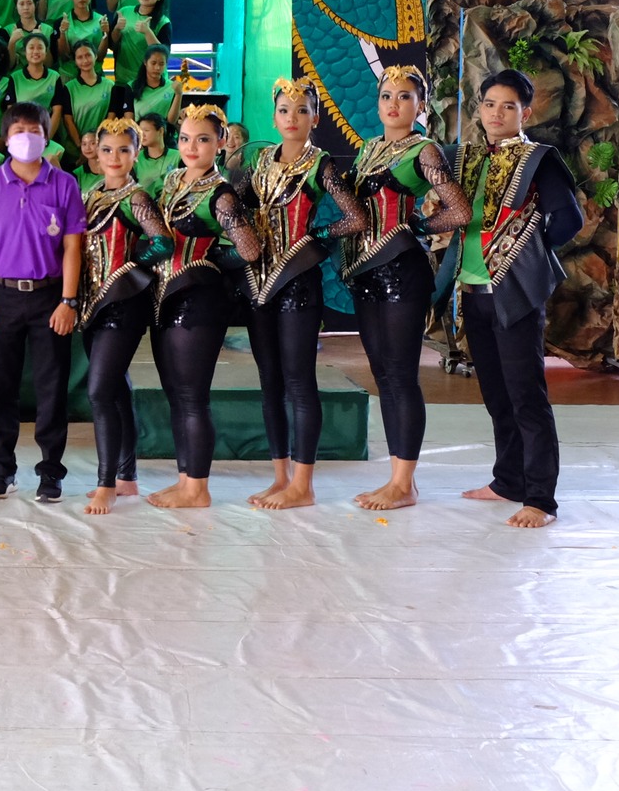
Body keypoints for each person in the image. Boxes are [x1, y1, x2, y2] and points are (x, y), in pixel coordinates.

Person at [444, 68, 583, 529]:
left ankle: (541, 499)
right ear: (479, 108)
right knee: (495, 394)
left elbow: (567, 219)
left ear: (526, 112)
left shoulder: (538, 158)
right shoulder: (466, 158)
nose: (497, 114)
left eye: (509, 106)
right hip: (472, 287)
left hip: (514, 292)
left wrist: (527, 250)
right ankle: (508, 480)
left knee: (526, 395)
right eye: (489, 105)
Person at [229, 77, 365, 511]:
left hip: (298, 282)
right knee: (270, 383)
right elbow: (235, 204)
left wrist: (318, 234)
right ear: (274, 116)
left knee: (298, 381)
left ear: (315, 118)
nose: (292, 118)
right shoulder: (261, 160)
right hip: (258, 282)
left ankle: (303, 485)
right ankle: (281, 477)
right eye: (285, 110)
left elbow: (356, 216)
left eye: (302, 110)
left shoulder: (320, 164)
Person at [343, 65, 470, 512]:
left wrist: (419, 225)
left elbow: (459, 210)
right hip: (365, 272)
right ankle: (396, 477)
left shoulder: (425, 151)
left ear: (421, 104)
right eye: (386, 95)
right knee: (382, 375)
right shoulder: (368, 149)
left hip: (401, 271)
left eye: (405, 96)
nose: (393, 104)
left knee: (400, 374)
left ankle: (404, 483)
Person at [146, 104, 262, 509]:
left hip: (198, 303)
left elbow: (249, 249)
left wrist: (209, 260)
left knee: (193, 396)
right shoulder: (173, 179)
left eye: (203, 139)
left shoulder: (221, 193)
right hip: (164, 298)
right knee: (176, 395)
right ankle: (185, 479)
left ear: (221, 142)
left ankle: (198, 488)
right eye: (185, 139)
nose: (192, 147)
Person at [0, 100, 86, 502]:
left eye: (33, 130)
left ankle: (51, 472)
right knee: (0, 389)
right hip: (0, 296)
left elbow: (73, 247)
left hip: (50, 298)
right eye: (18, 131)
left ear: (46, 134)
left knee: (52, 388)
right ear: (4, 139)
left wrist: (68, 301)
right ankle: (1, 469)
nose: (26, 138)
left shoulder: (65, 184)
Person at [78, 116, 166, 516]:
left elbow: (162, 242)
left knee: (99, 391)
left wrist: (130, 267)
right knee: (115, 389)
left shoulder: (136, 198)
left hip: (122, 305)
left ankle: (106, 484)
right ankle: (127, 476)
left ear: (136, 152)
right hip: (90, 304)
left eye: (124, 149)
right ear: (95, 151)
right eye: (107, 149)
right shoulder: (91, 193)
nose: (114, 157)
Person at [113, 0, 167, 91]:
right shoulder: (124, 12)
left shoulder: (163, 22)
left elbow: (163, 54)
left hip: (151, 82)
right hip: (123, 81)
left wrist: (148, 32)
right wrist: (117, 29)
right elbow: (112, 44)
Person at [59, 41, 113, 156]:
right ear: (75, 61)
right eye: (80, 57)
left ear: (96, 56)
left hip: (103, 147)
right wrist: (83, 147)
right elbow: (68, 121)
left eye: (88, 55)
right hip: (76, 150)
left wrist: (97, 145)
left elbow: (111, 118)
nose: (85, 60)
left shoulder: (110, 86)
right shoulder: (69, 88)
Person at [10, 32, 64, 139]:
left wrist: (46, 138)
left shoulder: (54, 77)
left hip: (45, 131)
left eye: (40, 48)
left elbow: (57, 112)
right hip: (22, 134)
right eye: (31, 48)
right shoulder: (15, 77)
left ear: (46, 51)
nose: (35, 51)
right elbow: (11, 111)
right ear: (25, 52)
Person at [55, 0, 110, 68]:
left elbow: (100, 57)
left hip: (95, 74)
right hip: (69, 75)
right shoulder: (61, 22)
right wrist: (63, 33)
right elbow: (64, 56)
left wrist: (106, 34)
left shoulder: (102, 21)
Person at [4, 0, 52, 71]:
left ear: (35, 5)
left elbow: (49, 64)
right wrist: (12, 42)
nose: (26, 7)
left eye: (29, 3)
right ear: (16, 7)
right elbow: (8, 66)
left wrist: (42, 40)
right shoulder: (7, 30)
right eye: (21, 4)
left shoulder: (48, 29)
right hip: (17, 77)